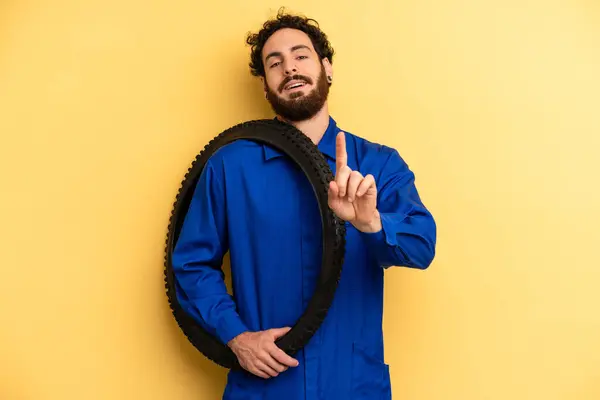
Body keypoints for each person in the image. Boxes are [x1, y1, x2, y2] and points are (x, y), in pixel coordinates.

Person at [171, 8, 437, 400]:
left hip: (353, 385)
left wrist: (372, 223)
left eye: (301, 55)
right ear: (265, 86)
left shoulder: (378, 165)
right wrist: (236, 336)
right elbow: (191, 265)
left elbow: (422, 245)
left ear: (327, 68)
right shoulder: (229, 167)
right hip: (263, 387)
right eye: (274, 63)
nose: (289, 68)